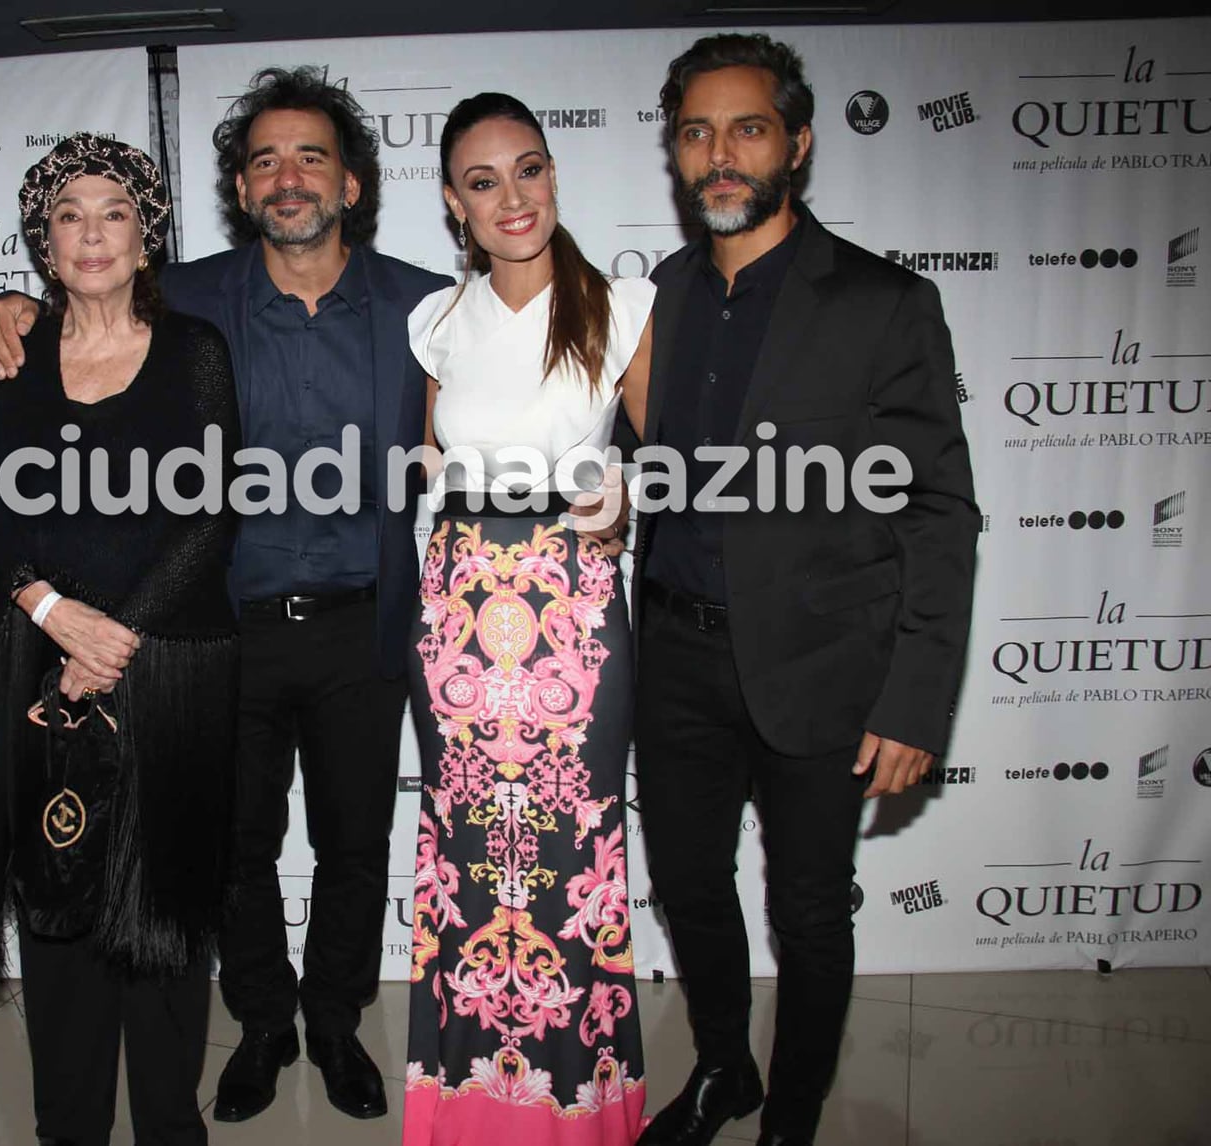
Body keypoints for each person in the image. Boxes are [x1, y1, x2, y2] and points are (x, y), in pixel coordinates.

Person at [0, 67, 454, 1123]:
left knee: (356, 843)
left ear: (353, 183)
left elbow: (524, 375)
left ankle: (333, 1021)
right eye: (266, 158)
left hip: (361, 625)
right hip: (216, 631)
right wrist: (4, 307)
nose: (289, 177)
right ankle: (264, 1023)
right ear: (239, 185)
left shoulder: (427, 307)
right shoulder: (184, 298)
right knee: (229, 849)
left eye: (311, 155)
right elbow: (78, 300)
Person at [632, 34, 978, 1146]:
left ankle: (790, 1120)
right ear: (676, 153)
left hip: (823, 669)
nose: (719, 154)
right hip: (676, 657)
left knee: (811, 914)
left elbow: (937, 512)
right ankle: (725, 1070)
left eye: (746, 128)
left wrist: (916, 700)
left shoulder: (880, 303)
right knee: (689, 887)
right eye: (696, 132)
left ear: (798, 142)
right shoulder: (666, 294)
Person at [0, 132, 240, 1146]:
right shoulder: (6, 353)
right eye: (68, 214)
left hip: (171, 667)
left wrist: (117, 633)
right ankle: (66, 1130)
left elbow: (210, 513)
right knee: (56, 906)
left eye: (112, 212)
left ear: (145, 233)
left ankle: (171, 1129)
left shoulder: (196, 351)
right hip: (39, 663)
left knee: (162, 925)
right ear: (42, 237)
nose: (90, 233)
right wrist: (50, 612)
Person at [402, 92, 654, 1145]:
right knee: (466, 860)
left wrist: (632, 492)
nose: (513, 196)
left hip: (572, 612)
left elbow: (676, 458)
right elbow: (432, 464)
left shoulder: (625, 306)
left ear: (555, 175)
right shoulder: (435, 321)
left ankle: (579, 1113)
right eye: (483, 179)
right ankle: (468, 1107)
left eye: (529, 168)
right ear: (456, 206)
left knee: (572, 853)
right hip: (460, 611)